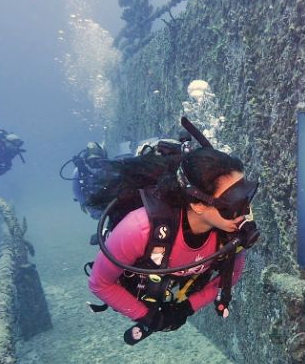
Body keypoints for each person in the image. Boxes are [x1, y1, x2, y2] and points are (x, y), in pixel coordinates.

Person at [87, 147, 259, 345]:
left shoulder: (231, 230)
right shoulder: (139, 229)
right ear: (199, 205)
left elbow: (231, 276)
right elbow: (99, 283)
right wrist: (148, 317)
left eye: (246, 194)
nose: (245, 211)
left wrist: (187, 307)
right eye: (233, 202)